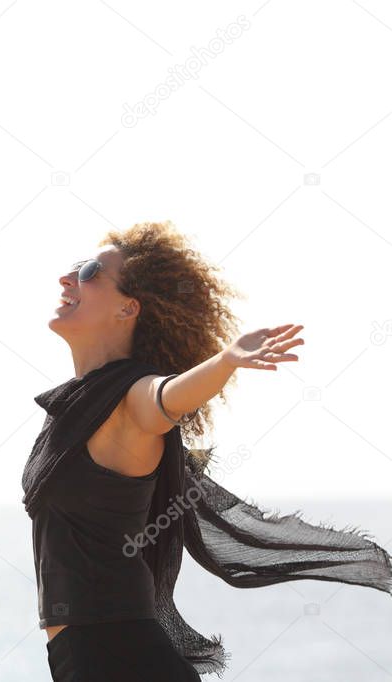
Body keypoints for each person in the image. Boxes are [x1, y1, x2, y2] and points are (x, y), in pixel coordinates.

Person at [21, 221, 392, 680]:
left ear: (128, 308)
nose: (68, 279)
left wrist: (225, 362)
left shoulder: (131, 397)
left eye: (91, 271)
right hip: (87, 656)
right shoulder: (75, 403)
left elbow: (167, 397)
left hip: (122, 657)